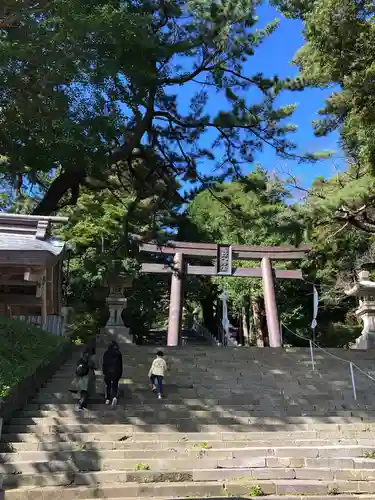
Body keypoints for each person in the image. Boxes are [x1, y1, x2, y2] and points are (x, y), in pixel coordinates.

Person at [70, 345, 97, 411]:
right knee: (86, 391)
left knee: (83, 390)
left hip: (82, 376)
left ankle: (82, 404)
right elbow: (95, 366)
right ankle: (82, 404)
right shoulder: (92, 357)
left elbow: (78, 365)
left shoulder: (82, 357)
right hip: (89, 375)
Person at [102, 340, 123, 407]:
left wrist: (104, 372)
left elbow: (104, 363)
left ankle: (108, 399)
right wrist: (120, 373)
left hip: (108, 371)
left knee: (108, 385)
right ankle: (114, 397)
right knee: (115, 385)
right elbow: (120, 364)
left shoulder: (106, 353)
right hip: (116, 372)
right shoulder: (118, 353)